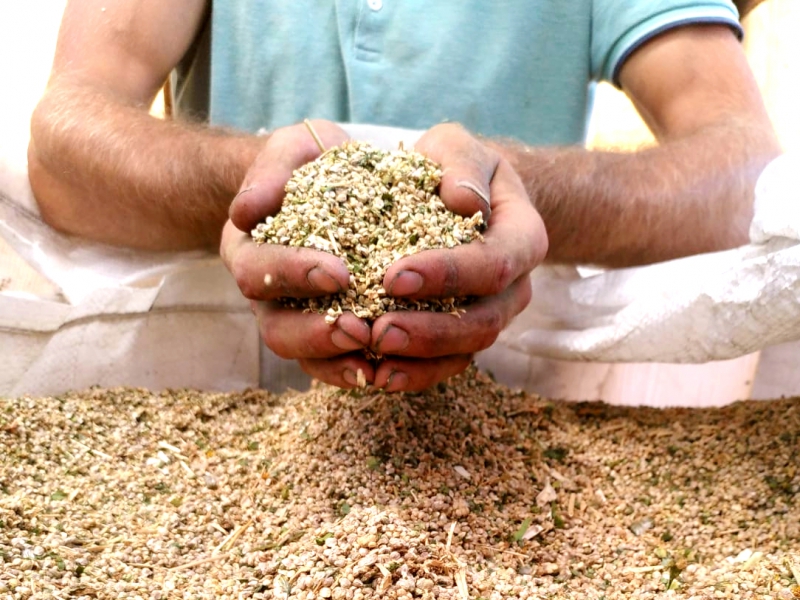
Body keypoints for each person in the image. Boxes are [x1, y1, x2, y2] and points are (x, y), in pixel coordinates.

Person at [27, 0, 781, 393]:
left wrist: (517, 190)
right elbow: (64, 141)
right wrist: (250, 182)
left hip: (507, 389)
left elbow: (744, 167)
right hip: (221, 393)